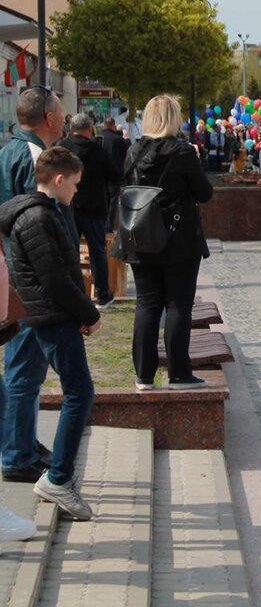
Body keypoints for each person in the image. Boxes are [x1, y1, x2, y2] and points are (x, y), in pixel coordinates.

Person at [0, 147, 99, 520]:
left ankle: (57, 475)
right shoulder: (38, 218)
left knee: (78, 391)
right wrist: (88, 312)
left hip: (53, 315)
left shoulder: (39, 213)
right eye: (74, 184)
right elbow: (56, 278)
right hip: (52, 316)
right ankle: (58, 478)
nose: (76, 192)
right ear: (59, 180)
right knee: (79, 393)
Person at [116, 96, 213, 393]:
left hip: (141, 235)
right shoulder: (182, 152)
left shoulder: (133, 149)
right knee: (177, 304)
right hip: (178, 238)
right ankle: (179, 374)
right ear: (173, 118)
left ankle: (143, 376)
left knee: (147, 304)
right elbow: (203, 193)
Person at [1, 86, 70, 484]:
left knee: (22, 367)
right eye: (60, 114)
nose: (63, 120)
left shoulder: (7, 151)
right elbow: (36, 226)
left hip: (13, 273)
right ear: (48, 118)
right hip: (28, 279)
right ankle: (17, 453)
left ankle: (23, 443)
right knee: (24, 369)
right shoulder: (34, 158)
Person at [57, 114, 120, 307]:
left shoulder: (62, 149)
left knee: (68, 251)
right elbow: (114, 175)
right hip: (94, 207)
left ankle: (72, 294)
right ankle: (102, 293)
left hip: (68, 206)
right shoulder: (98, 150)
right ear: (90, 128)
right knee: (97, 252)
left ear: (71, 127)